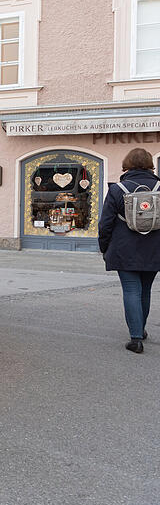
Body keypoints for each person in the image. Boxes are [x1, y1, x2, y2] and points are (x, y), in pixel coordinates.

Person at [98, 147, 160, 354]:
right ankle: (140, 329)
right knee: (145, 290)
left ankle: (135, 338)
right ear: (150, 165)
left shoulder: (118, 189)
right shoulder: (159, 187)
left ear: (127, 164)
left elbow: (105, 224)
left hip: (124, 249)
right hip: (154, 248)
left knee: (131, 290)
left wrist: (104, 247)